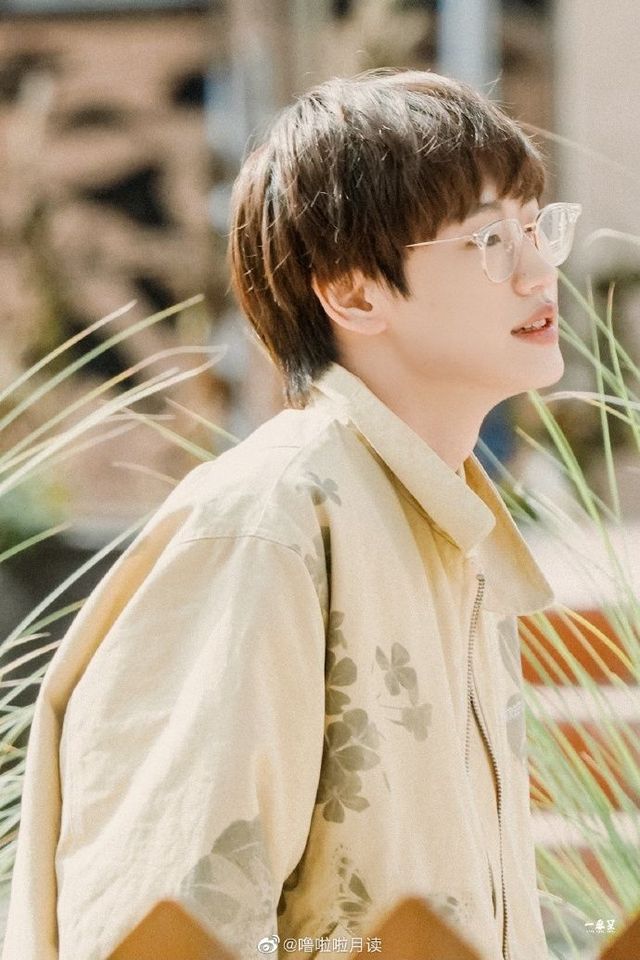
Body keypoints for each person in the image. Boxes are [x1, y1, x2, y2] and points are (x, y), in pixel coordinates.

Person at [2, 69, 582, 960]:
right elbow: (159, 925)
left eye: (537, 228)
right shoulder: (267, 525)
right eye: (489, 239)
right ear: (353, 292)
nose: (540, 270)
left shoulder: (444, 526)